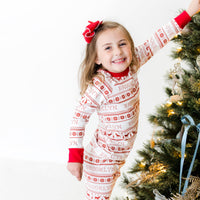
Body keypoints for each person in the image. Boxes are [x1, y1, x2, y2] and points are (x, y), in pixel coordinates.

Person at [67, 0, 200, 199]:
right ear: (97, 58)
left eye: (122, 44)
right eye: (108, 48)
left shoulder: (134, 63)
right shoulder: (101, 85)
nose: (118, 52)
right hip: (103, 158)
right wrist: (74, 156)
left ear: (130, 46)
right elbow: (79, 117)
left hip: (120, 154)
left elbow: (157, 39)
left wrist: (189, 13)